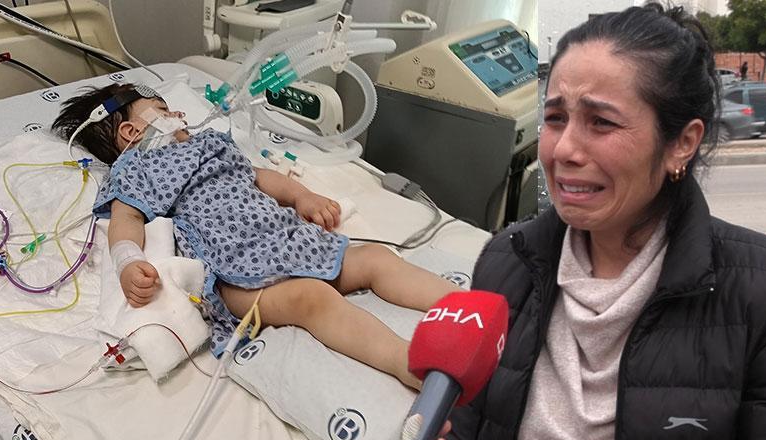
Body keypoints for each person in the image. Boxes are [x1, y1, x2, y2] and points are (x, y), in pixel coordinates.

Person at [429, 4, 766, 440]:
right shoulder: (507, 262)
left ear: (681, 143)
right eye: (556, 118)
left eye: (601, 123)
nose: (564, 150)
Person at [52, 83, 460, 395]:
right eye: (163, 110)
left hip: (288, 238)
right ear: (130, 131)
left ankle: (466, 308)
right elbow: (126, 218)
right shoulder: (136, 167)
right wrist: (127, 262)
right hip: (235, 270)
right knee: (312, 298)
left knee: (375, 258)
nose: (178, 114)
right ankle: (405, 361)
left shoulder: (211, 144)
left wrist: (302, 196)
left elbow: (260, 177)